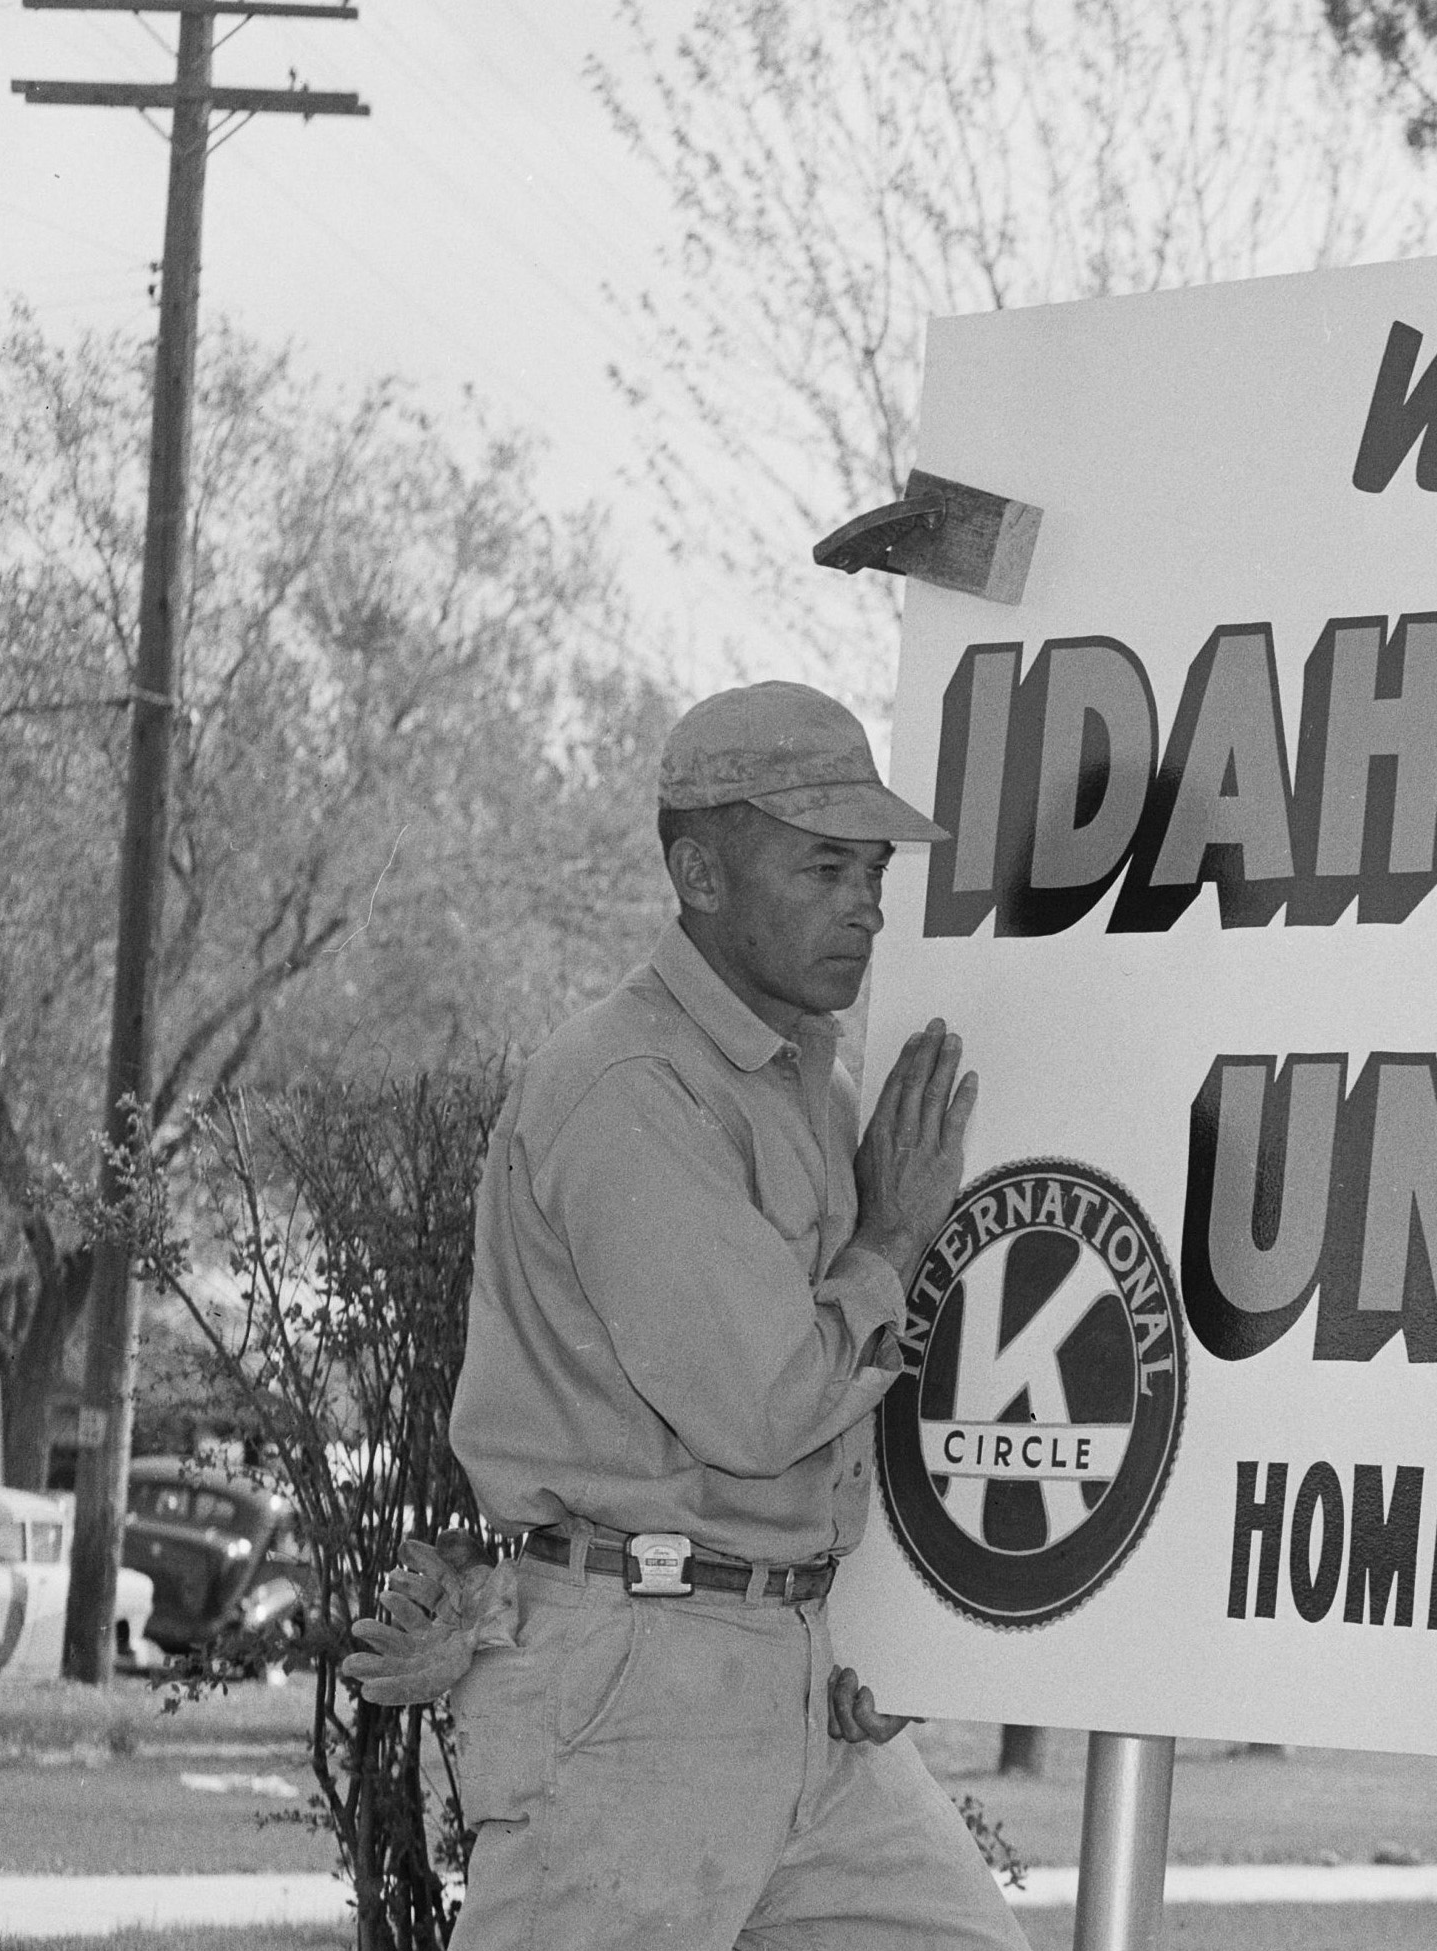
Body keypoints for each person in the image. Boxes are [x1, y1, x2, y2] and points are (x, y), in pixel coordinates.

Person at [411, 679, 1008, 1951]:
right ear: (701, 872)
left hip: (786, 1667)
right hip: (635, 1682)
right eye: (825, 864)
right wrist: (893, 1234)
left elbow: (835, 1438)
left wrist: (867, 1643)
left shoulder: (809, 1086)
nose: (868, 901)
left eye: (875, 868)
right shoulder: (629, 1087)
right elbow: (766, 1402)